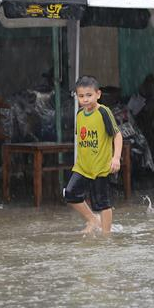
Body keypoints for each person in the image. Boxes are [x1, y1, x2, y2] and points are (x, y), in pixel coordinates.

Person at [64, 76, 123, 233]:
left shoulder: (104, 112)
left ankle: (106, 235)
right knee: (70, 194)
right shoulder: (79, 115)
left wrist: (116, 158)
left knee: (103, 203)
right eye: (81, 96)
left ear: (98, 94)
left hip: (100, 167)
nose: (85, 99)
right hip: (83, 166)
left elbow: (117, 135)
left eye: (89, 95)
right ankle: (92, 220)